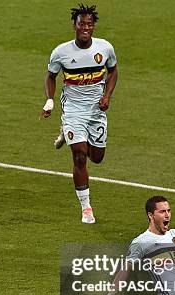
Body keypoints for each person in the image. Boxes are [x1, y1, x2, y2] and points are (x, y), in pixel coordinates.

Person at [42, 4, 118, 224]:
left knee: (97, 158)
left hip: (96, 110)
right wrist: (49, 101)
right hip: (73, 110)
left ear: (93, 26)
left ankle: (66, 134)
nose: (85, 27)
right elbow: (50, 76)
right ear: (74, 25)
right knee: (79, 156)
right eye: (81, 24)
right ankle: (86, 208)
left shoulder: (104, 48)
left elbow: (113, 70)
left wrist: (107, 96)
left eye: (89, 24)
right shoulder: (61, 52)